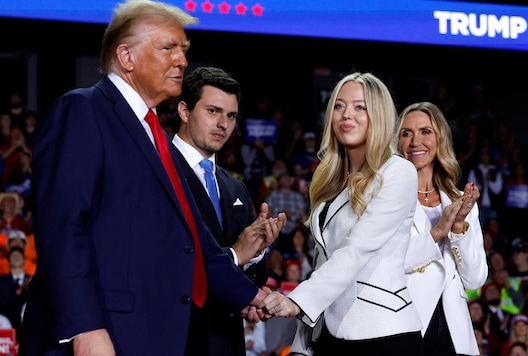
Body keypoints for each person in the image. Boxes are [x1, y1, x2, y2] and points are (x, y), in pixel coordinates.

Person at [19, 1, 272, 355]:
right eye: (168, 48)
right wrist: (85, 328)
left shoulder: (156, 137)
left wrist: (253, 295)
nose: (182, 60)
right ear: (127, 57)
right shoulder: (83, 110)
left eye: (183, 50)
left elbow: (194, 240)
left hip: (151, 335)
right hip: (102, 334)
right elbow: (62, 229)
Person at [258, 72, 424, 355]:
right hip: (330, 335)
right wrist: (302, 344)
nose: (347, 114)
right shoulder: (330, 177)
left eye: (360, 107)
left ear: (379, 115)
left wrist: (297, 302)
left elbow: (356, 250)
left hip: (382, 334)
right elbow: (323, 264)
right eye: (339, 106)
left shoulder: (399, 171)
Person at [173, 65, 287, 356]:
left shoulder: (235, 188)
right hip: (177, 336)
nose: (223, 123)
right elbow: (174, 261)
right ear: (184, 111)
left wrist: (258, 250)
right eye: (213, 111)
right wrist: (238, 252)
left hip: (227, 341)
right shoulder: (160, 172)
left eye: (231, 115)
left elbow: (254, 279)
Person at [397, 101, 487, 356]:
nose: (416, 141)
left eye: (425, 131)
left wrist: (458, 227)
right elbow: (385, 263)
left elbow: (475, 278)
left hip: (452, 331)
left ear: (440, 139)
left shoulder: (460, 200)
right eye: (407, 133)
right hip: (406, 324)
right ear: (397, 143)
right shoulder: (386, 198)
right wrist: (437, 232)